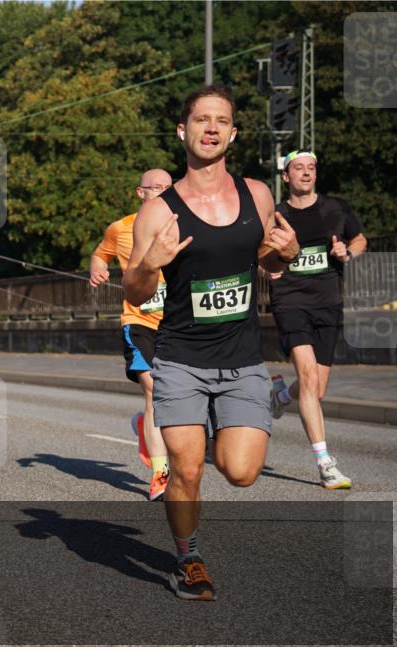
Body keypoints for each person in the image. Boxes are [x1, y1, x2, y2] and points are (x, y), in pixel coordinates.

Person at [123, 85, 299, 601]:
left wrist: (284, 255)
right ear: (184, 130)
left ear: (233, 133)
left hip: (243, 358)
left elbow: (268, 264)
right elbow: (136, 287)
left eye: (222, 120)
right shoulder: (160, 211)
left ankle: (235, 416)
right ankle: (189, 558)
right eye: (202, 119)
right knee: (188, 467)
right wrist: (150, 262)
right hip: (180, 355)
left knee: (241, 472)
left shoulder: (258, 194)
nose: (212, 128)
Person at [266, 150, 366, 489]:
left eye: (311, 168)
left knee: (316, 389)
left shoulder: (336, 208)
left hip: (328, 302)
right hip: (291, 301)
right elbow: (262, 254)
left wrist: (347, 252)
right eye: (298, 168)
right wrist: (270, 265)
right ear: (285, 177)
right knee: (308, 378)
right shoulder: (275, 214)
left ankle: (279, 397)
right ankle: (325, 463)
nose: (306, 173)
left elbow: (359, 238)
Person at [90, 169, 173, 501]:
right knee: (153, 386)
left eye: (168, 188)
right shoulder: (121, 228)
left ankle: (148, 428)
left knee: (176, 392)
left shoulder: (186, 224)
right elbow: (101, 253)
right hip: (138, 321)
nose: (162, 193)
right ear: (141, 194)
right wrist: (97, 266)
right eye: (155, 189)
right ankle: (160, 473)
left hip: (179, 323)